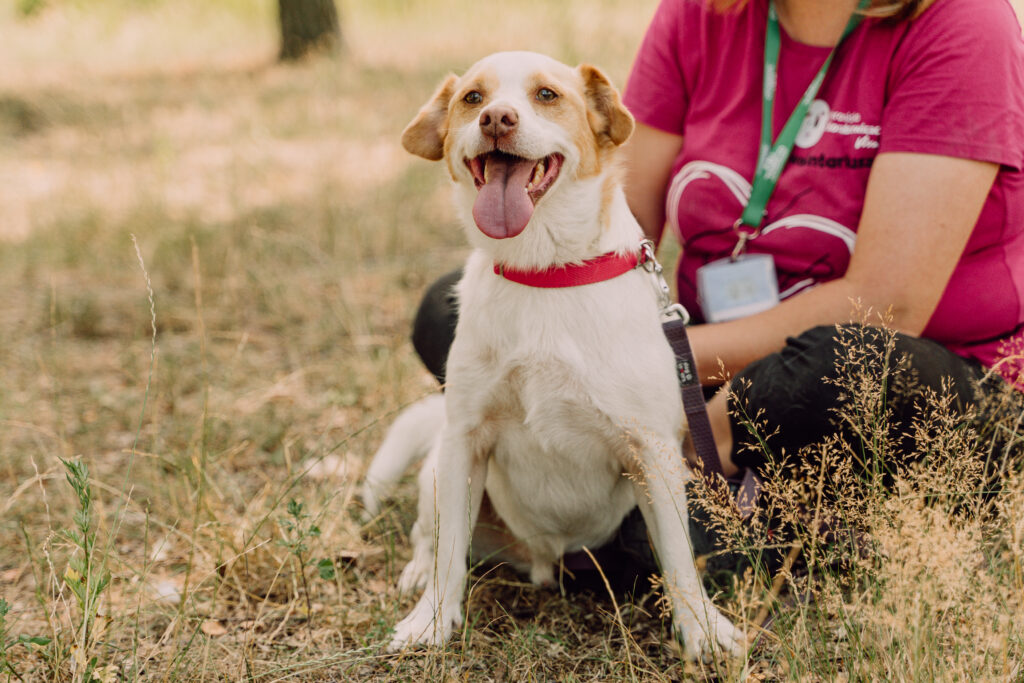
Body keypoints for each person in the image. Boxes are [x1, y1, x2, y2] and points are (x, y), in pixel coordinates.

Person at [409, 0, 1024, 577]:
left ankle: (669, 504)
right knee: (462, 306)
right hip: (695, 365)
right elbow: (608, 223)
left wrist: (650, 375)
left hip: (916, 370)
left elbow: (889, 303)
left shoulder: (963, 23)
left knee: (833, 369)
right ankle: (688, 509)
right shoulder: (699, 13)